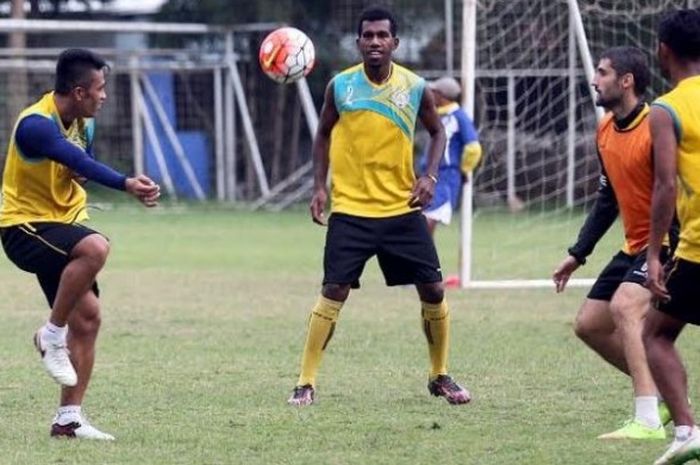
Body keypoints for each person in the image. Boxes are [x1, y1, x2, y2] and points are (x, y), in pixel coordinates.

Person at [286, 6, 470, 407]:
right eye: (367, 36)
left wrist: (430, 177)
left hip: (401, 210)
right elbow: (321, 136)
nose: (374, 42)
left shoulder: (416, 87)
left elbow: (437, 133)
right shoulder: (341, 86)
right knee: (333, 290)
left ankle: (439, 375)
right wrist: (320, 186)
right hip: (351, 210)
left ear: (394, 43)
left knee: (434, 289)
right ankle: (305, 381)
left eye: (382, 36)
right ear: (359, 42)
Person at [0, 49, 160, 440]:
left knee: (87, 320)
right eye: (99, 88)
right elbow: (76, 158)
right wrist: (125, 183)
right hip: (24, 227)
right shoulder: (35, 124)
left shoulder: (84, 122)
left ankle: (68, 420)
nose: (104, 95)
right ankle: (50, 334)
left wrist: (79, 173)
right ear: (77, 91)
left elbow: (78, 164)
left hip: (62, 224)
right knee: (96, 248)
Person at [552, 47, 675, 440]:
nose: (594, 79)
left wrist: (664, 248)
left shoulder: (656, 125)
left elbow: (673, 188)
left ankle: (648, 420)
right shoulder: (605, 128)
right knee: (589, 325)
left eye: (603, 73)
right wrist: (577, 253)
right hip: (635, 244)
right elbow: (608, 198)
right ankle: (667, 394)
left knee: (625, 306)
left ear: (627, 81)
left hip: (672, 240)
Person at [643, 9, 700, 465]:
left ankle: (686, 430)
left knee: (657, 333)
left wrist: (655, 253)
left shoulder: (666, 108)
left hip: (697, 246)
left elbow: (663, 185)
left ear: (663, 50)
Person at [419, 76, 482, 236]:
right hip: (428, 177)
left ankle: (422, 261)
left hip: (445, 179)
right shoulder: (436, 115)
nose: (429, 95)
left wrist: (463, 169)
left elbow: (474, 148)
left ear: (441, 95)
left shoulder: (459, 116)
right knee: (418, 226)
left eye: (432, 92)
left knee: (426, 224)